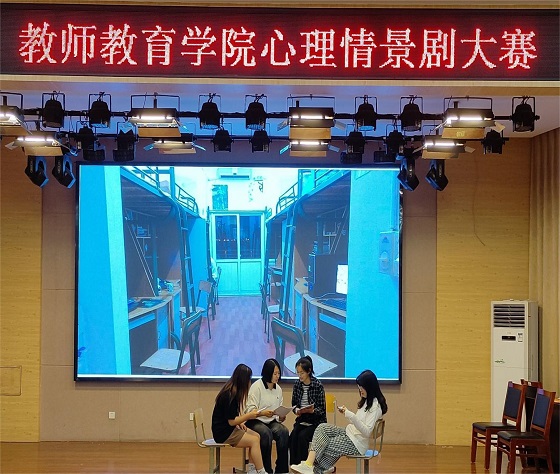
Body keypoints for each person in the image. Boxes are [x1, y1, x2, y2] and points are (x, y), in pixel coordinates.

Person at [290, 369, 388, 474]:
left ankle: (316, 468)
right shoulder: (367, 401)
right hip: (350, 434)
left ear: (370, 387)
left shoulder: (375, 407)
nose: (360, 390)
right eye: (359, 387)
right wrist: (347, 413)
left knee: (327, 444)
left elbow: (367, 432)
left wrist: (350, 415)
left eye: (362, 387)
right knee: (322, 427)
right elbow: (359, 422)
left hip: (357, 443)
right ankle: (310, 465)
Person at [211, 363, 267, 474]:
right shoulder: (229, 395)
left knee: (257, 436)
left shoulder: (233, 391)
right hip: (223, 433)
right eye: (249, 379)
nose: (250, 382)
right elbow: (231, 422)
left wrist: (240, 423)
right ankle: (261, 471)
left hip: (228, 429)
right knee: (254, 441)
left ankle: (252, 471)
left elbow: (232, 416)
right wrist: (249, 415)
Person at [245, 358, 290, 474]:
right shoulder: (256, 387)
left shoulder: (278, 389)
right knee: (266, 433)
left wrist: (281, 417)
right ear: (267, 373)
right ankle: (266, 470)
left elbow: (277, 411)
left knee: (284, 432)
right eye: (275, 374)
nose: (277, 376)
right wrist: (262, 413)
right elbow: (250, 410)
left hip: (271, 421)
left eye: (279, 373)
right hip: (255, 421)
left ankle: (282, 470)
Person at [288, 356, 327, 466]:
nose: (300, 375)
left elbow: (322, 409)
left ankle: (305, 466)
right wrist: (296, 410)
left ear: (309, 371)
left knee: (302, 437)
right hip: (302, 420)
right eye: (298, 373)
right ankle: (294, 466)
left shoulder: (317, 385)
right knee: (293, 436)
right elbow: (294, 404)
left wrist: (312, 411)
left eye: (302, 373)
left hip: (316, 422)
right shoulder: (297, 385)